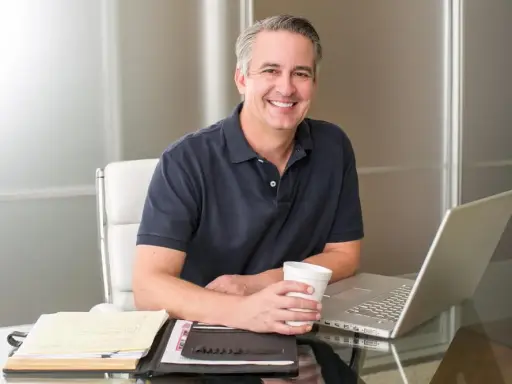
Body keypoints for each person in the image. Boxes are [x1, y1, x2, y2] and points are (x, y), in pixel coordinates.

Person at [132, 15, 364, 335]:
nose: (286, 88)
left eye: (301, 73)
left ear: (314, 83)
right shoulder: (186, 160)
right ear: (241, 79)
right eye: (271, 70)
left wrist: (256, 286)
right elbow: (148, 286)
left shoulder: (333, 146)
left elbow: (344, 255)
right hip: (207, 331)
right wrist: (243, 310)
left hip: (298, 326)